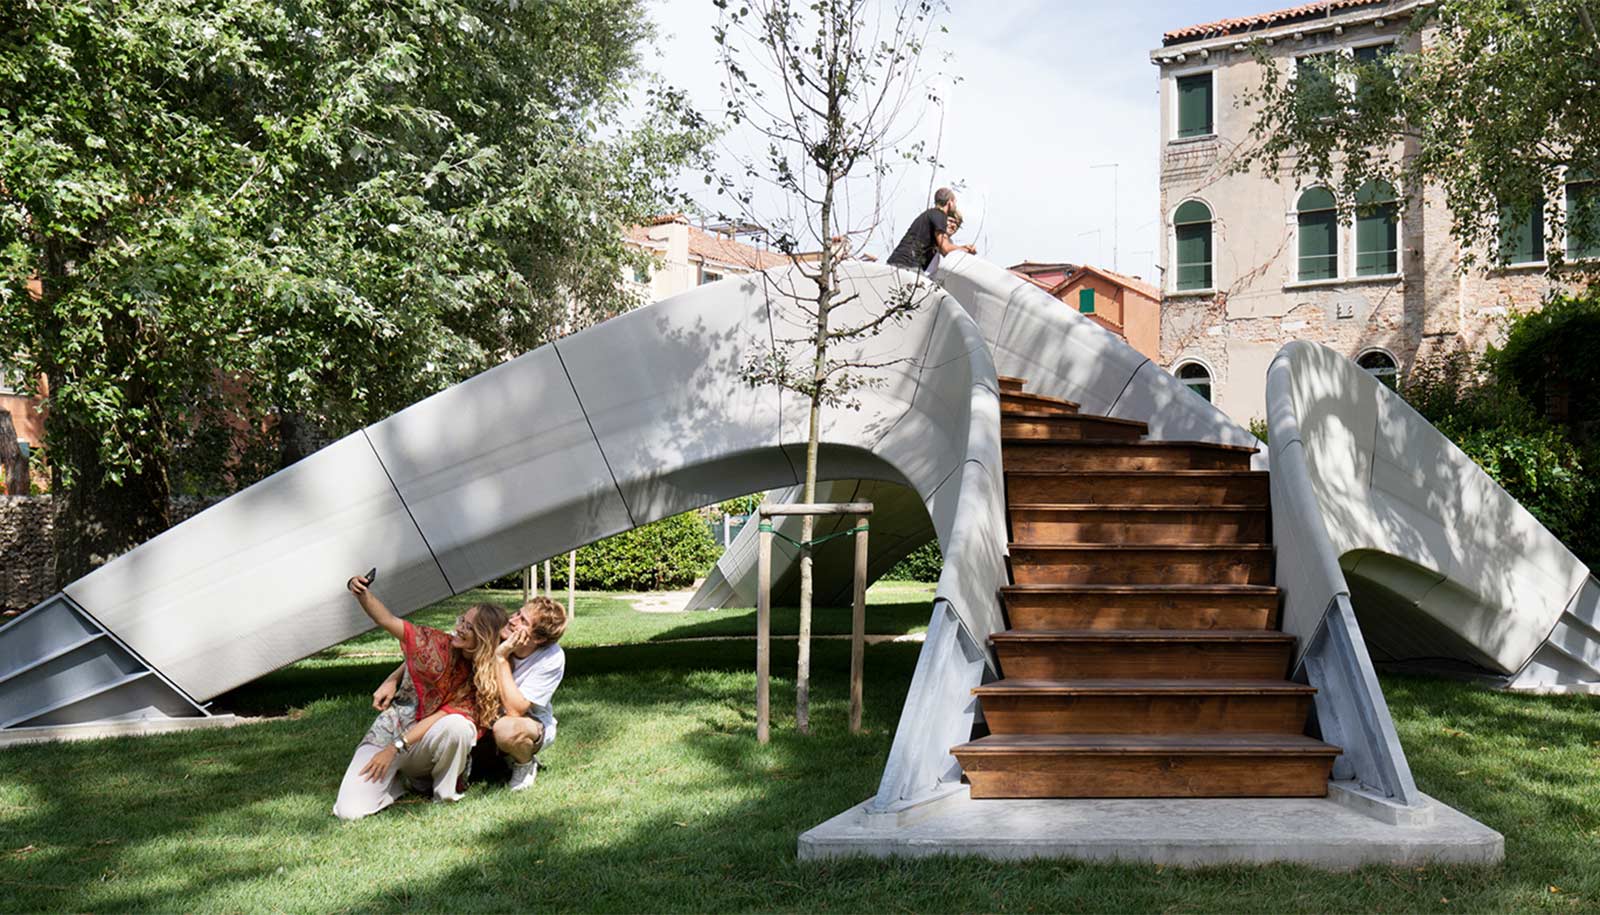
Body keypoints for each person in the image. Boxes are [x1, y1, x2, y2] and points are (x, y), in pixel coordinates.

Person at [332, 573, 508, 820]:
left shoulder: (485, 678)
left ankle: (443, 794)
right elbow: (388, 620)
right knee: (350, 812)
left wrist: (395, 749)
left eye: (468, 626)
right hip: (390, 732)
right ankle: (397, 783)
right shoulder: (439, 644)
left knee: (458, 726)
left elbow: (441, 717)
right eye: (462, 620)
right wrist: (361, 592)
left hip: (421, 741)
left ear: (483, 636)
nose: (459, 627)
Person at [473, 595, 568, 792]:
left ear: (538, 638)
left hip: (528, 722)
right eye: (518, 613)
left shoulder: (551, 657)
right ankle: (502, 757)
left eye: (523, 621)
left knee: (507, 730)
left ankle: (524, 763)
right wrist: (394, 679)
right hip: (486, 716)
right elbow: (448, 644)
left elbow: (515, 710)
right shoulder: (498, 629)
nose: (512, 620)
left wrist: (501, 658)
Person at [887, 187, 977, 273]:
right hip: (908, 265)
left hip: (897, 262)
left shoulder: (928, 214)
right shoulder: (940, 215)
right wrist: (964, 249)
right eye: (955, 203)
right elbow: (945, 248)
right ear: (950, 202)